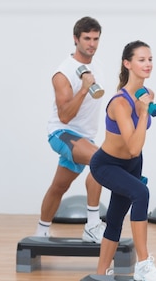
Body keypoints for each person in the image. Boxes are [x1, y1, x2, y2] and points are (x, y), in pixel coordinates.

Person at [89, 40, 156, 281]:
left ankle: (100, 275)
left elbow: (135, 151)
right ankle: (143, 264)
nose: (147, 64)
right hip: (107, 164)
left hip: (133, 164)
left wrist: (144, 108)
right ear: (127, 63)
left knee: (114, 219)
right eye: (141, 59)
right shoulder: (120, 103)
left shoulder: (146, 95)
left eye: (150, 59)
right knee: (141, 194)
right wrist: (143, 112)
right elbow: (133, 145)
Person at [35, 16, 106, 242]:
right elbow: (65, 116)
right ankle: (92, 226)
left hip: (84, 138)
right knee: (102, 161)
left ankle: (41, 232)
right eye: (87, 38)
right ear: (76, 39)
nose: (91, 44)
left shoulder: (93, 65)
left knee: (59, 186)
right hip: (61, 134)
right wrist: (84, 89)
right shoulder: (63, 73)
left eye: (95, 39)